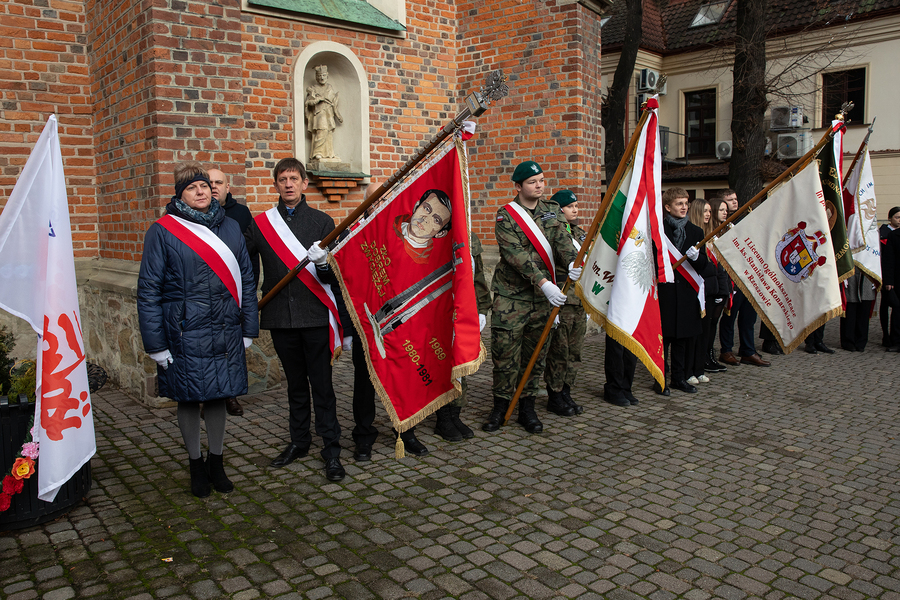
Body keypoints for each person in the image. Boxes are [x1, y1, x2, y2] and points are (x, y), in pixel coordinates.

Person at [137, 162, 258, 498]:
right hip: (183, 332)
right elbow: (149, 291)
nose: (202, 191)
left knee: (219, 394)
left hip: (223, 328)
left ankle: (216, 461)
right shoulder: (162, 231)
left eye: (205, 185)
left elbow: (247, 280)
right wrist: (156, 344)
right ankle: (195, 464)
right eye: (192, 187)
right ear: (181, 195)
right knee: (189, 399)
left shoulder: (231, 227)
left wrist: (248, 327)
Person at [244, 157, 345, 481]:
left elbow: (336, 278)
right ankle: (299, 442)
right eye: (282, 179)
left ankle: (331, 450)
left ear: (304, 183)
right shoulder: (261, 225)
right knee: (296, 387)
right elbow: (244, 269)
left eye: (293, 178)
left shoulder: (322, 222)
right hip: (281, 319)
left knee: (323, 387)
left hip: (314, 317)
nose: (288, 184)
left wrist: (325, 263)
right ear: (275, 185)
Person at [482, 161, 579, 434]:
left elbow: (562, 241)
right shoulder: (506, 215)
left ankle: (527, 408)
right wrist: (545, 283)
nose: (539, 185)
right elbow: (516, 256)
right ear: (518, 186)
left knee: (536, 355)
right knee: (505, 355)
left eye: (541, 180)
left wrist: (572, 262)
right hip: (512, 298)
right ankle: (500, 407)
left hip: (542, 301)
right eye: (532, 182)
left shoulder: (551, 211)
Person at [343, 183, 429, 460]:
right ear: (367, 204)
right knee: (364, 379)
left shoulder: (402, 232)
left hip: (400, 318)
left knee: (403, 375)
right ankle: (363, 435)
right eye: (374, 201)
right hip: (365, 319)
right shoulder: (351, 232)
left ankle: (406, 430)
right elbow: (342, 276)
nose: (379, 205)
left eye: (384, 200)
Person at [434, 230, 491, 441]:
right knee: (439, 359)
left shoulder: (469, 236)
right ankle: (442, 417)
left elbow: (478, 275)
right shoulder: (428, 233)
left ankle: (455, 413)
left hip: (463, 308)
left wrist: (482, 308)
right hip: (436, 308)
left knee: (460, 357)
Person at [208, 167, 254, 417]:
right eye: (209, 182)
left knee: (231, 351)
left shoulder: (240, 214)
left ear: (228, 188)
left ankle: (230, 396)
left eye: (218, 182)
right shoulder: (194, 216)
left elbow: (249, 257)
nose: (213, 187)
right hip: (205, 296)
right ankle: (208, 398)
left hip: (233, 295)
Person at [658, 188, 708, 395]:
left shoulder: (696, 232)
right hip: (665, 293)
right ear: (668, 207)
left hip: (687, 294)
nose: (684, 207)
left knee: (682, 340)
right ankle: (660, 379)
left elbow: (705, 267)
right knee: (664, 341)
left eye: (686, 203)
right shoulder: (658, 230)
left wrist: (697, 258)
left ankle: (679, 378)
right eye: (679, 203)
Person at [542, 190, 586, 416]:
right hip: (562, 299)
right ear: (558, 211)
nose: (575, 210)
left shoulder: (579, 233)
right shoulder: (552, 233)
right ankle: (555, 394)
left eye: (576, 205)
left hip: (580, 300)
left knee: (574, 351)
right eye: (570, 206)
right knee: (559, 351)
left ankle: (567, 390)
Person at [716, 189, 770, 367]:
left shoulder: (744, 219)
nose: (734, 202)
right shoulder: (720, 224)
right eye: (729, 200)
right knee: (730, 315)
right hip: (731, 277)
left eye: (735, 198)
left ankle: (748, 350)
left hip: (748, 275)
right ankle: (726, 350)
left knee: (749, 316)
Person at [686, 198, 718, 385]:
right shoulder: (693, 235)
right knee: (693, 334)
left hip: (710, 291)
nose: (708, 214)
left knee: (705, 333)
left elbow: (714, 268)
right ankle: (689, 369)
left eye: (709, 211)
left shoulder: (709, 235)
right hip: (696, 290)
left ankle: (699, 368)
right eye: (705, 211)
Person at [703, 198, 730, 372]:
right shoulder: (706, 234)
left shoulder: (718, 233)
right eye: (721, 209)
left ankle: (709, 355)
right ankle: (704, 357)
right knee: (707, 325)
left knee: (713, 324)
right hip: (709, 288)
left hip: (720, 284)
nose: (725, 212)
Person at [393, 189, 453, 263]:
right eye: (427, 208)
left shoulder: (423, 261)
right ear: (416, 206)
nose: (426, 219)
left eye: (436, 220)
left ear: (441, 233)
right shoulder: (391, 222)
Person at [305, 65, 342, 161]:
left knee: (329, 133)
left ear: (327, 76)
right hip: (319, 114)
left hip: (329, 114)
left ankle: (329, 153)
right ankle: (318, 152)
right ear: (317, 77)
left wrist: (336, 111)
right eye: (320, 75)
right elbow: (308, 102)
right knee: (321, 130)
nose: (322, 77)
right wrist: (317, 100)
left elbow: (333, 102)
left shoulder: (330, 87)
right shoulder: (313, 89)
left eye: (324, 75)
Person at [840, 271, 877, 352]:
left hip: (868, 273)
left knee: (864, 309)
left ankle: (861, 341)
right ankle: (848, 341)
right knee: (850, 309)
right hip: (851, 271)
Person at [880, 207, 900, 349]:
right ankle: (896, 341)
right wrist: (888, 281)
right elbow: (888, 260)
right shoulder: (894, 236)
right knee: (897, 311)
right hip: (897, 280)